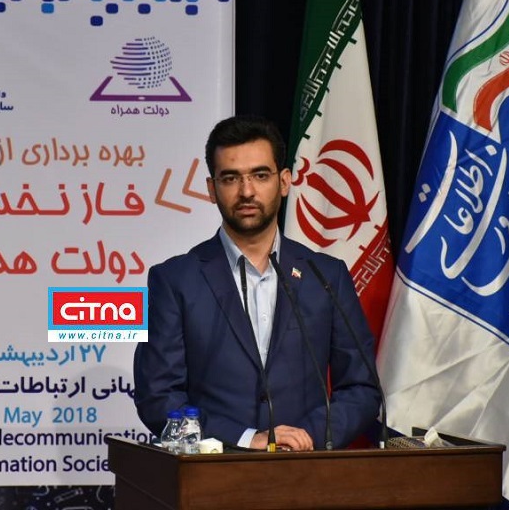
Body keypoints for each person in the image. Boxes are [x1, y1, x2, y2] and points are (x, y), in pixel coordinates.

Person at [133, 115, 380, 450]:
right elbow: (157, 396)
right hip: (214, 472)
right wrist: (247, 439)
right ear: (212, 189)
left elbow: (361, 388)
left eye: (260, 175)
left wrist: (309, 435)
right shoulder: (174, 280)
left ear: (285, 181)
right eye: (230, 178)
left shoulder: (326, 276)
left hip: (306, 469)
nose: (246, 191)